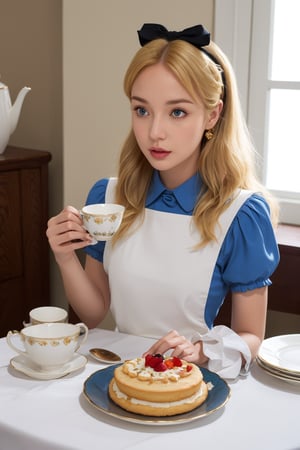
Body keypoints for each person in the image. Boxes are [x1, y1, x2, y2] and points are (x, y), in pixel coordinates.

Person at [46, 23, 280, 379]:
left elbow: (252, 336)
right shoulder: (107, 197)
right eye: (142, 110)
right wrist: (65, 257)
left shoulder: (240, 214)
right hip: (117, 373)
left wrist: (201, 352)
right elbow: (93, 314)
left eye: (177, 112)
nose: (155, 131)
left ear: (212, 115)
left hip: (191, 380)